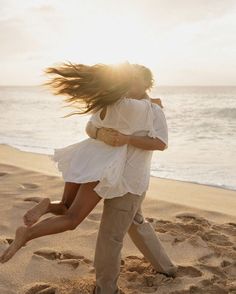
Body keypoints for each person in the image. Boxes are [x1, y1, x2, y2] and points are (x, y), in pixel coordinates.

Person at [0, 61, 175, 283]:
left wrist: (115, 134)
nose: (131, 84)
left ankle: (166, 268)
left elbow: (158, 142)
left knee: (132, 222)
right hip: (113, 175)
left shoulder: (119, 104)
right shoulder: (137, 107)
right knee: (101, 233)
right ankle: (105, 288)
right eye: (129, 80)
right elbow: (97, 126)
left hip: (99, 166)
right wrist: (148, 108)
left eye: (135, 81)